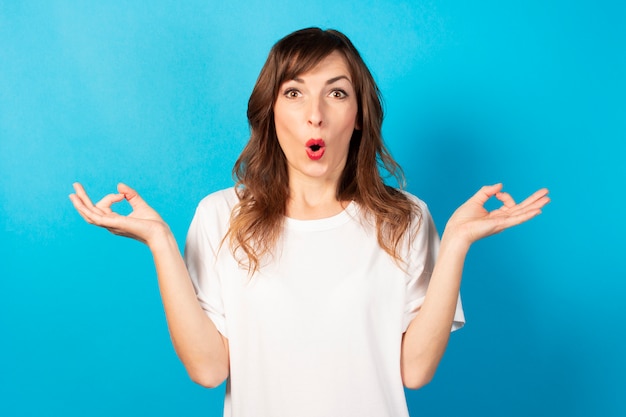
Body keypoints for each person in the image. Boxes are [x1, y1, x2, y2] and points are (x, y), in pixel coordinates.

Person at [69, 27, 549, 417]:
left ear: (358, 115)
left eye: (336, 93)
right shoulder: (220, 215)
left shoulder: (404, 218)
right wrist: (160, 241)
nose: (314, 115)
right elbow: (209, 369)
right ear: (271, 111)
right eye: (294, 93)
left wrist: (458, 241)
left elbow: (415, 372)